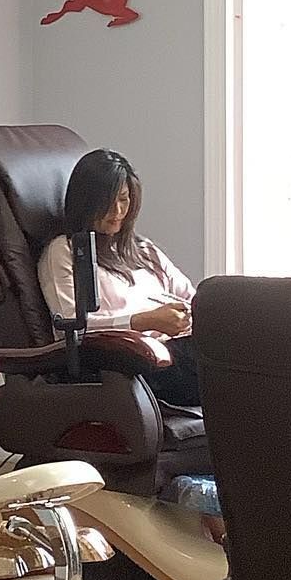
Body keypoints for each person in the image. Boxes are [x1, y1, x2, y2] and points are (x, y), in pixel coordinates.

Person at [38, 147, 200, 406]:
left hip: (181, 348)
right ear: (86, 202)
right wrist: (144, 321)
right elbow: (71, 330)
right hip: (132, 364)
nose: (117, 211)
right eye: (107, 203)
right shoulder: (65, 251)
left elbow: (193, 299)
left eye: (124, 200)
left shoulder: (143, 250)